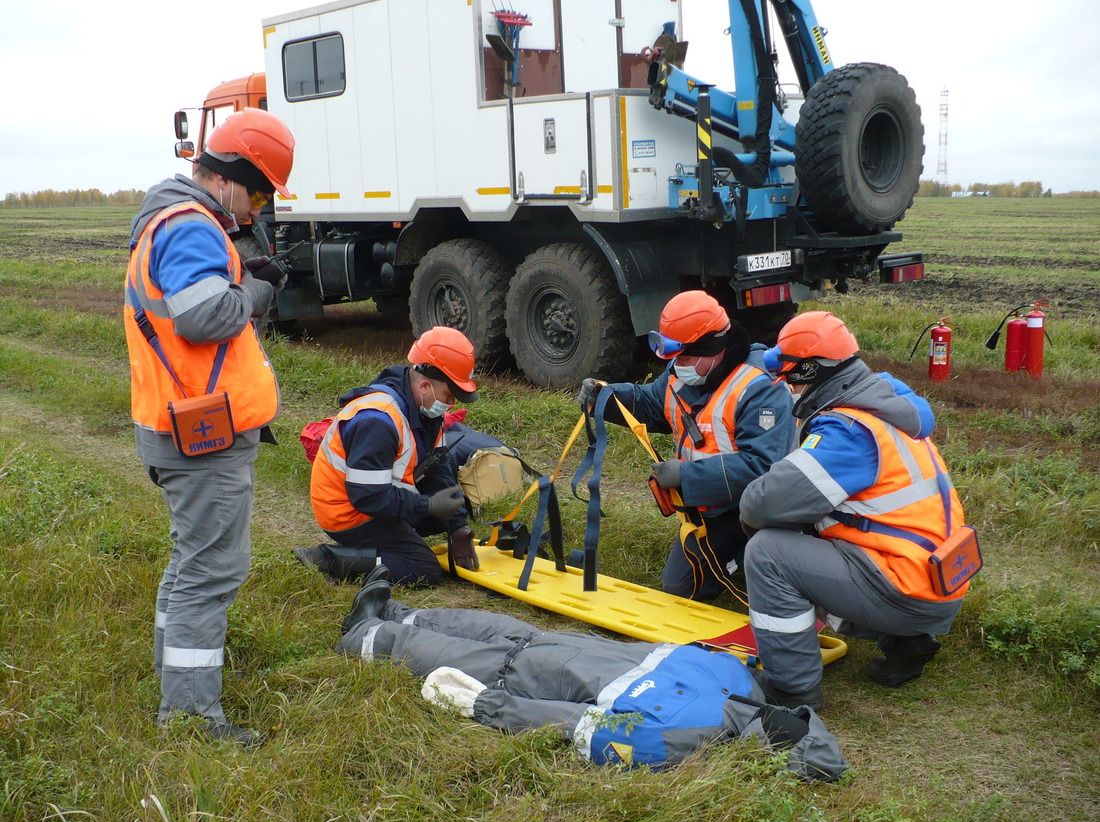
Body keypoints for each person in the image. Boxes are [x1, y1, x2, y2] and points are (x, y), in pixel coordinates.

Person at [123, 108, 296, 746]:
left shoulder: (168, 219)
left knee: (192, 561)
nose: (255, 210)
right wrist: (253, 293)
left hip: (175, 424)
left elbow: (191, 305)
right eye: (257, 192)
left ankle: (179, 678)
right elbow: (202, 318)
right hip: (201, 438)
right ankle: (193, 718)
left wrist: (241, 278)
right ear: (229, 177)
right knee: (211, 569)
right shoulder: (192, 226)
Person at [335, 574, 848, 780]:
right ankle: (400, 613)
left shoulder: (677, 743)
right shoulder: (741, 681)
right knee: (490, 626)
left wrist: (487, 707)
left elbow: (575, 725)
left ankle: (364, 636)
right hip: (576, 649)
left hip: (536, 678)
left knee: (451, 654)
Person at [740, 311, 970, 711]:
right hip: (930, 574)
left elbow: (762, 504)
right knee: (814, 538)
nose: (785, 385)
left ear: (812, 370)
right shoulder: (884, 407)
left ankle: (792, 690)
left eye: (790, 375)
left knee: (769, 553)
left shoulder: (848, 430)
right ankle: (904, 642)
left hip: (906, 586)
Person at [577, 291, 794, 601]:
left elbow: (762, 467)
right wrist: (606, 399)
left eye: (687, 358)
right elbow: (653, 404)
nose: (679, 366)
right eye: (676, 359)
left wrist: (686, 476)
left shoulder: (762, 388)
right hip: (714, 505)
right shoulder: (684, 371)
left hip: (760, 507)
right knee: (680, 589)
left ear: (714, 349)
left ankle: (761, 550)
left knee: (689, 586)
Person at [303, 326, 482, 585]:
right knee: (423, 568)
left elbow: (437, 470)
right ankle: (329, 559)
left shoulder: (425, 411)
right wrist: (427, 506)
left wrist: (457, 528)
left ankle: (395, 540)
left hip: (377, 499)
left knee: (441, 517)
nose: (451, 405)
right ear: (424, 385)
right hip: (349, 514)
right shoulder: (378, 420)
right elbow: (368, 498)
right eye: (449, 395)